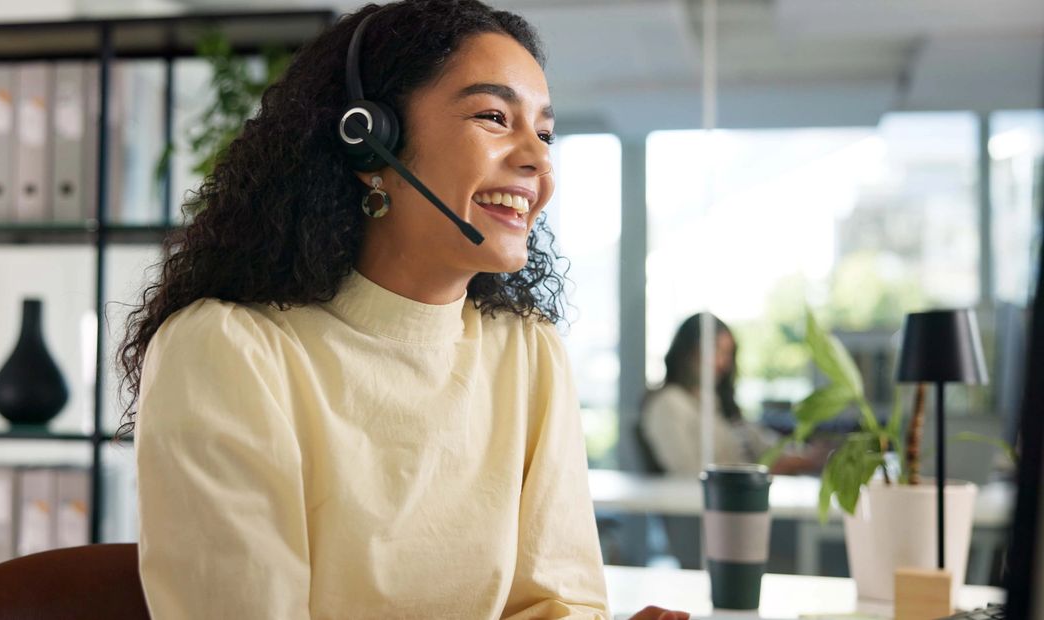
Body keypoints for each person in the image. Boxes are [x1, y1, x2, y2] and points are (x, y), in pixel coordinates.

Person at [116, 1, 687, 618]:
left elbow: (554, 602)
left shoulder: (525, 350)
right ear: (370, 144)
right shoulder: (228, 350)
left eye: (545, 133)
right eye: (495, 117)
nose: (539, 161)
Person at [639, 313, 820, 476]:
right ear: (688, 350)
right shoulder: (669, 403)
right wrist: (767, 471)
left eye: (727, 354)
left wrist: (805, 456)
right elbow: (687, 474)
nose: (722, 363)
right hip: (712, 505)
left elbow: (764, 444)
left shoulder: (716, 404)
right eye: (715, 350)